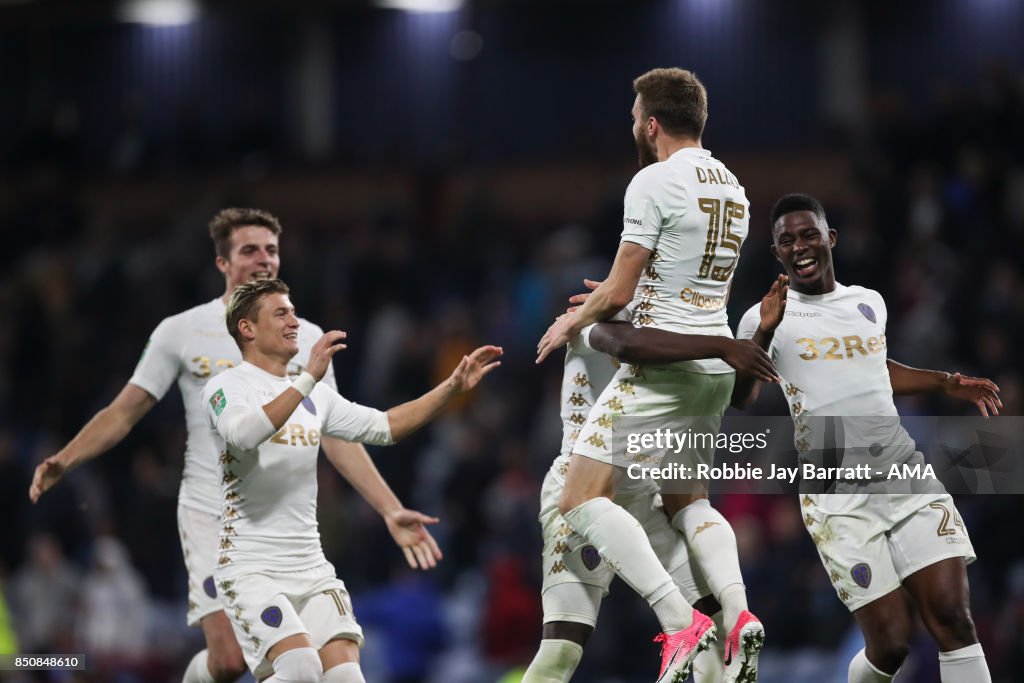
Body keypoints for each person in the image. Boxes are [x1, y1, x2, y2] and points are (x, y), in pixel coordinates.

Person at [29, 208, 444, 683]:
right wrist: (67, 458)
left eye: (271, 249)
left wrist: (389, 509)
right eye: (250, 249)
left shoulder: (303, 336)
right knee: (230, 660)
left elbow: (335, 432)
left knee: (299, 663)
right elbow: (124, 411)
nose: (264, 258)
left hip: (282, 526)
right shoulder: (181, 331)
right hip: (210, 512)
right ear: (223, 263)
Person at [535, 67, 763, 682]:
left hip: (663, 372)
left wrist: (572, 321)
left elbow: (618, 288)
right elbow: (692, 287)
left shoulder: (653, 180)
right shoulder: (734, 187)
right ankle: (738, 615)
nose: (634, 125)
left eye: (636, 116)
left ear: (652, 123)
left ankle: (677, 622)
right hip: (715, 364)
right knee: (689, 499)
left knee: (577, 497)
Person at [733, 193, 1000, 683]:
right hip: (836, 492)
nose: (800, 246)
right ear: (777, 253)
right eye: (786, 240)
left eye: (808, 233)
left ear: (829, 238)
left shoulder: (866, 303)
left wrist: (944, 381)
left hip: (902, 472)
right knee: (891, 643)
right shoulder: (764, 317)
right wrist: (763, 335)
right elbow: (741, 396)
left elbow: (874, 371)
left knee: (952, 619)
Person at [202, 278, 500, 682]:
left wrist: (450, 389)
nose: (294, 320)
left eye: (293, 310)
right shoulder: (225, 387)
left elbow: (384, 426)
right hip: (251, 566)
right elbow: (244, 434)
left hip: (310, 564)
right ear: (247, 329)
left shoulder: (316, 396)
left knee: (346, 678)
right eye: (280, 313)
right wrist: (307, 378)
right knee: (301, 668)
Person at [524, 299, 777, 683]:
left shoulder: (645, 320)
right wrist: (729, 344)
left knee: (709, 628)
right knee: (562, 646)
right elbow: (632, 345)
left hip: (638, 483)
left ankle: (688, 623)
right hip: (584, 483)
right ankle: (702, 618)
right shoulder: (618, 328)